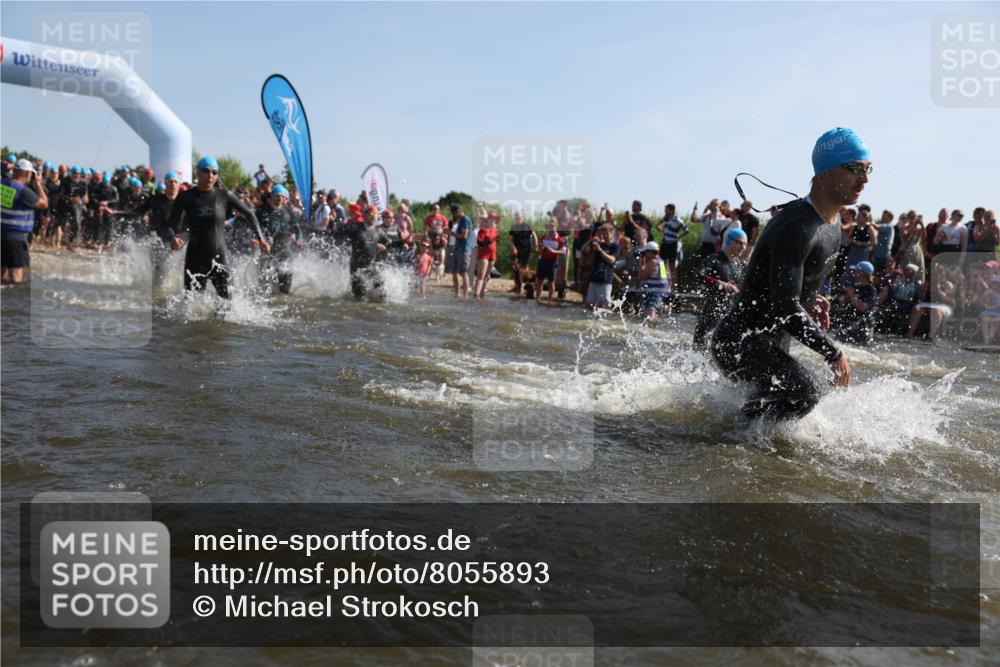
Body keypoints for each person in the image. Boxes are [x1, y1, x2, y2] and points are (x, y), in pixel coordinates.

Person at [711, 127, 867, 421]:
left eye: (869, 169)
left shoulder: (833, 224)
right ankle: (724, 445)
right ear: (825, 173)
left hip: (769, 341)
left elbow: (796, 284)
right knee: (803, 393)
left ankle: (735, 439)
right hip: (739, 341)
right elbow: (785, 307)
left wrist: (815, 299)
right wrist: (833, 352)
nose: (865, 179)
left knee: (795, 398)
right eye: (855, 168)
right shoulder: (795, 227)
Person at [166, 156, 270, 299]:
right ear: (197, 172)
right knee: (190, 309)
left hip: (219, 257)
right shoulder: (186, 197)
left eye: (214, 172)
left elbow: (250, 214)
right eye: (206, 171)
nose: (210, 175)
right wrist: (172, 237)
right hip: (195, 259)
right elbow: (170, 225)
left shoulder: (224, 195)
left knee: (228, 305)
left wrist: (261, 239)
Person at [693, 228, 748, 350]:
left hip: (731, 318)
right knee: (700, 354)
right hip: (710, 315)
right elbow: (698, 276)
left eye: (745, 244)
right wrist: (720, 283)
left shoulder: (743, 265)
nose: (743, 247)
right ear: (729, 241)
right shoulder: (714, 259)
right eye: (739, 242)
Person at [1, 159, 49, 284]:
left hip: (2, 233)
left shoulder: (2, 184)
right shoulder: (23, 191)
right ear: (28, 174)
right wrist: (38, 185)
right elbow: (44, 204)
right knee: (17, 275)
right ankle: (13, 302)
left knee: (3, 272)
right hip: (16, 238)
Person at [130, 171, 180, 289]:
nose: (173, 185)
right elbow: (138, 212)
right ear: (166, 184)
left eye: (175, 182)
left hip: (177, 241)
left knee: (173, 269)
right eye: (170, 182)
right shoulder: (156, 200)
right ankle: (157, 294)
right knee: (159, 269)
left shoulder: (182, 201)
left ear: (179, 184)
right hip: (158, 240)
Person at [256, 184, 302, 294]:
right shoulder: (262, 212)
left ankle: (284, 301)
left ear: (286, 199)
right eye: (277, 195)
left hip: (284, 250)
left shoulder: (289, 212)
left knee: (284, 286)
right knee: (264, 285)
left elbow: (298, 230)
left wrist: (298, 239)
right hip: (267, 250)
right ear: (272, 197)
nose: (279, 198)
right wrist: (256, 239)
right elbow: (256, 228)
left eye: (282, 196)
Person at [341, 204, 390, 300]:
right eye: (370, 214)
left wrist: (406, 241)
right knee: (360, 296)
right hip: (356, 269)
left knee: (382, 294)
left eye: (375, 214)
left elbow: (390, 243)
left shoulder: (379, 231)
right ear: (364, 215)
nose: (373, 217)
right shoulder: (355, 228)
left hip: (371, 267)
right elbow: (338, 233)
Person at [831, 261, 879, 345]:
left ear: (862, 273)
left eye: (856, 270)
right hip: (850, 321)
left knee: (860, 348)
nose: (853, 272)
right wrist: (845, 297)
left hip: (863, 324)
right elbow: (842, 304)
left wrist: (851, 295)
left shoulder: (871, 290)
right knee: (838, 343)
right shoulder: (855, 286)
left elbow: (863, 308)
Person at [584, 223, 618, 309]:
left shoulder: (614, 246)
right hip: (594, 277)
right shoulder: (598, 244)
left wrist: (600, 251)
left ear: (611, 232)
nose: (604, 234)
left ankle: (605, 322)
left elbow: (612, 260)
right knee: (589, 304)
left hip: (605, 279)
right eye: (603, 232)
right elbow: (584, 250)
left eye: (606, 232)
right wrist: (591, 241)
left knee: (604, 305)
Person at [637, 241, 670, 322]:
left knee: (649, 317)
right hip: (657, 292)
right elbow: (668, 277)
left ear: (650, 252)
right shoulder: (660, 261)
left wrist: (641, 260)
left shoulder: (653, 262)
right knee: (648, 316)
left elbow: (642, 275)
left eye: (645, 252)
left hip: (653, 293)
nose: (644, 255)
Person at [535, 221, 567, 305]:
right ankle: (537, 299)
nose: (551, 229)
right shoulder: (543, 237)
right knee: (539, 281)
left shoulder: (560, 240)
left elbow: (564, 252)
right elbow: (539, 247)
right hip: (542, 260)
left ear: (556, 228)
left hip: (552, 262)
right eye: (550, 227)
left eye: (553, 227)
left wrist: (553, 251)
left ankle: (549, 300)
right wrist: (540, 249)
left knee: (551, 282)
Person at [658, 203, 688, 289]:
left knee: (672, 266)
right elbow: (658, 227)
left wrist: (678, 237)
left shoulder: (678, 220)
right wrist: (661, 226)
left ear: (671, 210)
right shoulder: (665, 219)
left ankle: (673, 286)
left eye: (666, 209)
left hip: (672, 244)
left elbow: (686, 230)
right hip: (665, 243)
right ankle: (664, 283)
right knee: (662, 264)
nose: (665, 211)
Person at [446, 204, 473, 299]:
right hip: (458, 248)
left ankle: (465, 295)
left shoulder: (465, 220)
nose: (453, 214)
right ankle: (457, 294)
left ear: (459, 211)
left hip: (464, 249)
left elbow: (464, 236)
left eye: (454, 212)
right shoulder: (461, 220)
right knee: (454, 271)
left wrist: (451, 233)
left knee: (464, 272)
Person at [509, 211, 537, 295]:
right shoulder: (513, 227)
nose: (518, 218)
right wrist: (513, 247)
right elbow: (510, 240)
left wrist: (535, 245)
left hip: (526, 250)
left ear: (522, 218)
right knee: (515, 268)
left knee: (525, 268)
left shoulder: (527, 226)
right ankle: (516, 286)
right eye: (516, 217)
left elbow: (534, 235)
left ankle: (526, 286)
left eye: (519, 217)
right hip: (516, 250)